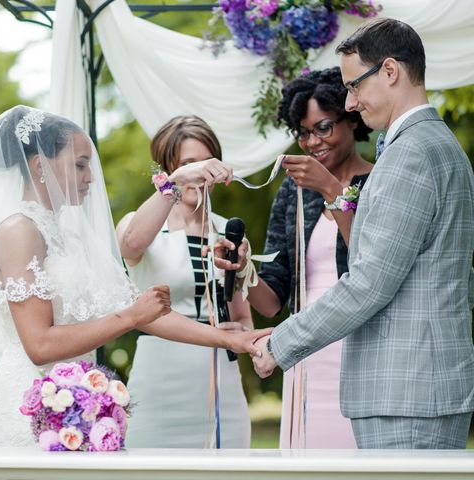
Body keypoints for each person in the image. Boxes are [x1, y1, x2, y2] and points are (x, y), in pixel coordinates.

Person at [0, 106, 265, 447]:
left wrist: (229, 340)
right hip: (29, 412)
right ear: (40, 166)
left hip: (82, 404)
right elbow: (40, 345)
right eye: (80, 165)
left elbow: (145, 313)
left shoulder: (72, 235)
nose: (90, 177)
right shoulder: (19, 230)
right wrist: (130, 316)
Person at [252, 18, 474, 449]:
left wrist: (282, 342)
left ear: (390, 71)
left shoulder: (412, 152)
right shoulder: (428, 144)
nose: (351, 103)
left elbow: (370, 280)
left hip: (407, 391)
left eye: (355, 86)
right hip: (410, 388)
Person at [245, 67, 373, 448]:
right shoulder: (294, 191)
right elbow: (271, 303)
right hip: (305, 351)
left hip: (361, 347)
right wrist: (245, 270)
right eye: (303, 132)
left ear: (351, 119)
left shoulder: (380, 181)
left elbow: (373, 261)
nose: (312, 141)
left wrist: (331, 189)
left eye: (323, 127)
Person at [116, 115, 254, 448]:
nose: (199, 173)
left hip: (221, 378)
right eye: (188, 164)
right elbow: (131, 245)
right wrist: (174, 185)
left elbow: (243, 317)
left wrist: (243, 332)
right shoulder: (139, 223)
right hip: (160, 378)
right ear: (167, 170)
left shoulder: (228, 230)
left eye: (207, 162)